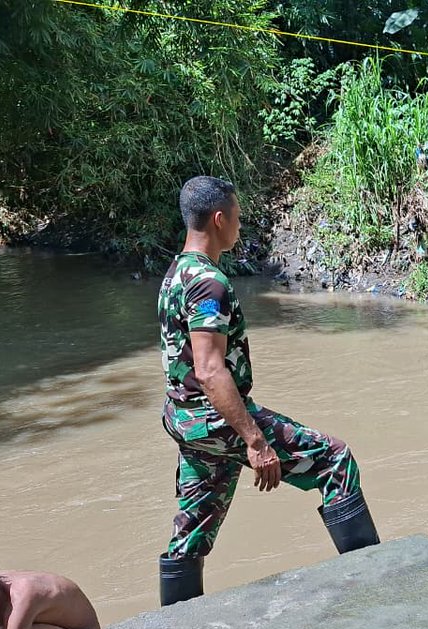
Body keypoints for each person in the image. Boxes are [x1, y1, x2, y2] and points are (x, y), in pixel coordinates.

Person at [157, 176, 379, 607]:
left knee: (194, 527)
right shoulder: (208, 283)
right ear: (219, 220)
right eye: (237, 218)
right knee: (335, 460)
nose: (240, 227)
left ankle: (173, 625)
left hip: (185, 421)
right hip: (217, 419)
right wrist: (255, 442)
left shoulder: (175, 274)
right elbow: (209, 370)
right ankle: (375, 579)